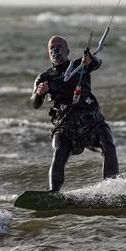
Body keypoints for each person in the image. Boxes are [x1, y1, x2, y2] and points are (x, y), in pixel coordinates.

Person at [31, 35, 118, 192]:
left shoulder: (80, 65)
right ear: (48, 53)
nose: (55, 50)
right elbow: (35, 104)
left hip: (91, 119)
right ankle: (54, 192)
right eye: (52, 48)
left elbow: (96, 64)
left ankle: (111, 189)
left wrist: (90, 58)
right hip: (65, 124)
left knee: (109, 144)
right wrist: (39, 93)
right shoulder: (44, 77)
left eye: (59, 46)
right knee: (59, 151)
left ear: (67, 51)